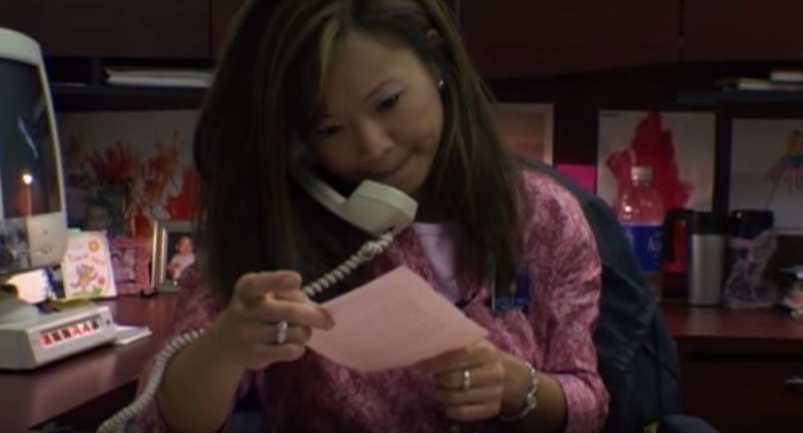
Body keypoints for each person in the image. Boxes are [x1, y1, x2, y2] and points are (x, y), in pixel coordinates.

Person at [136, 1, 608, 432]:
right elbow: (156, 419)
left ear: (436, 59)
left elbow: (588, 402)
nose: (373, 147)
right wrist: (227, 346)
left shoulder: (545, 216)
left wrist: (515, 386)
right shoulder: (273, 229)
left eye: (388, 103)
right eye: (331, 128)